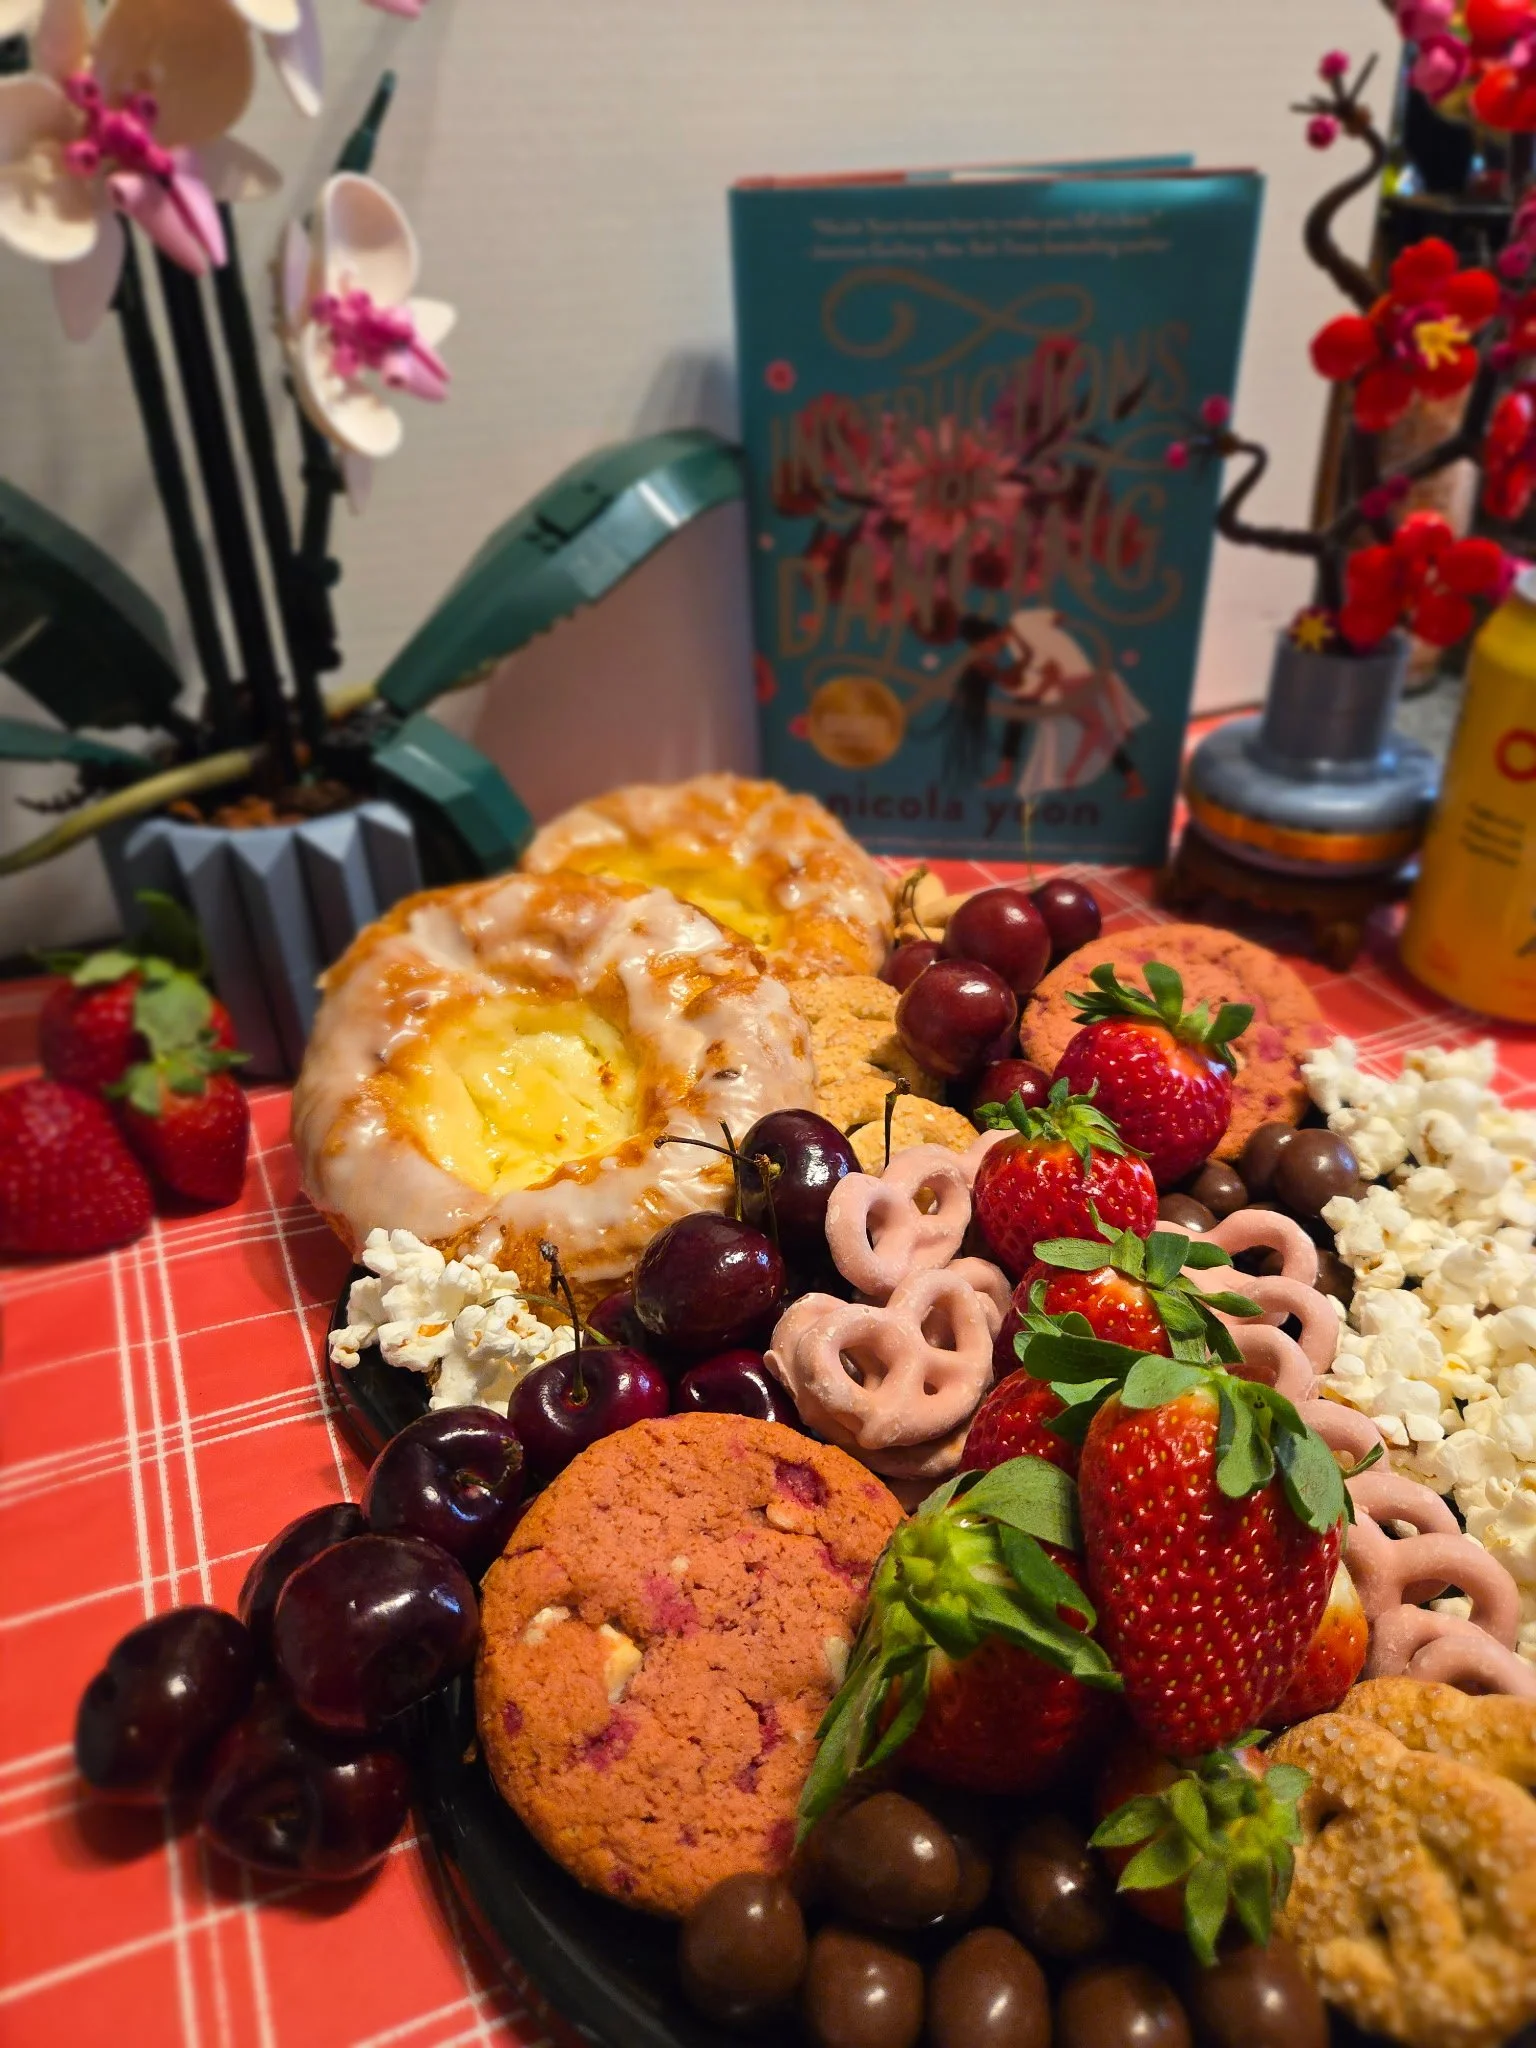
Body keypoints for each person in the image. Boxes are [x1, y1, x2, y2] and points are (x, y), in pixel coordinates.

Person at [972, 607, 1148, 798]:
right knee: (1095, 729)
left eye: (982, 648)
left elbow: (1052, 669)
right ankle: (1133, 780)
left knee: (1095, 729)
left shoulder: (1020, 630)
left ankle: (1132, 780)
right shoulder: (1018, 635)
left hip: (1071, 681)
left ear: (988, 638)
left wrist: (1050, 653)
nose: (986, 653)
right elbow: (1058, 618)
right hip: (1067, 682)